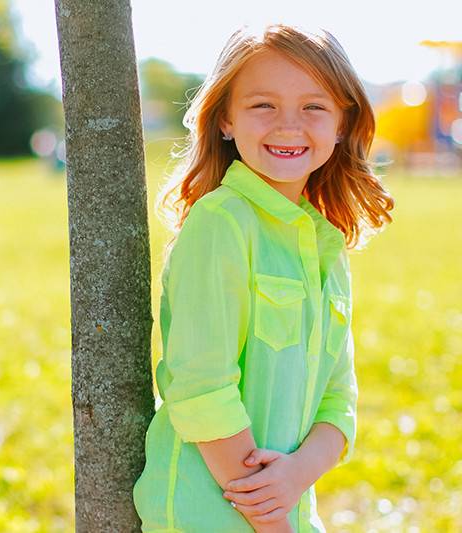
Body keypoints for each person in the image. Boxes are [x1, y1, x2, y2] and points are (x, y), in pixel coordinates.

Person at [132, 23, 394, 532]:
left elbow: (339, 403)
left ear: (343, 123)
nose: (288, 125)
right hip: (204, 516)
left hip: (288, 514)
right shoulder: (220, 224)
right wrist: (269, 515)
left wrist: (294, 479)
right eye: (263, 106)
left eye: (314, 107)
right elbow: (201, 388)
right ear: (225, 119)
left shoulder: (326, 245)